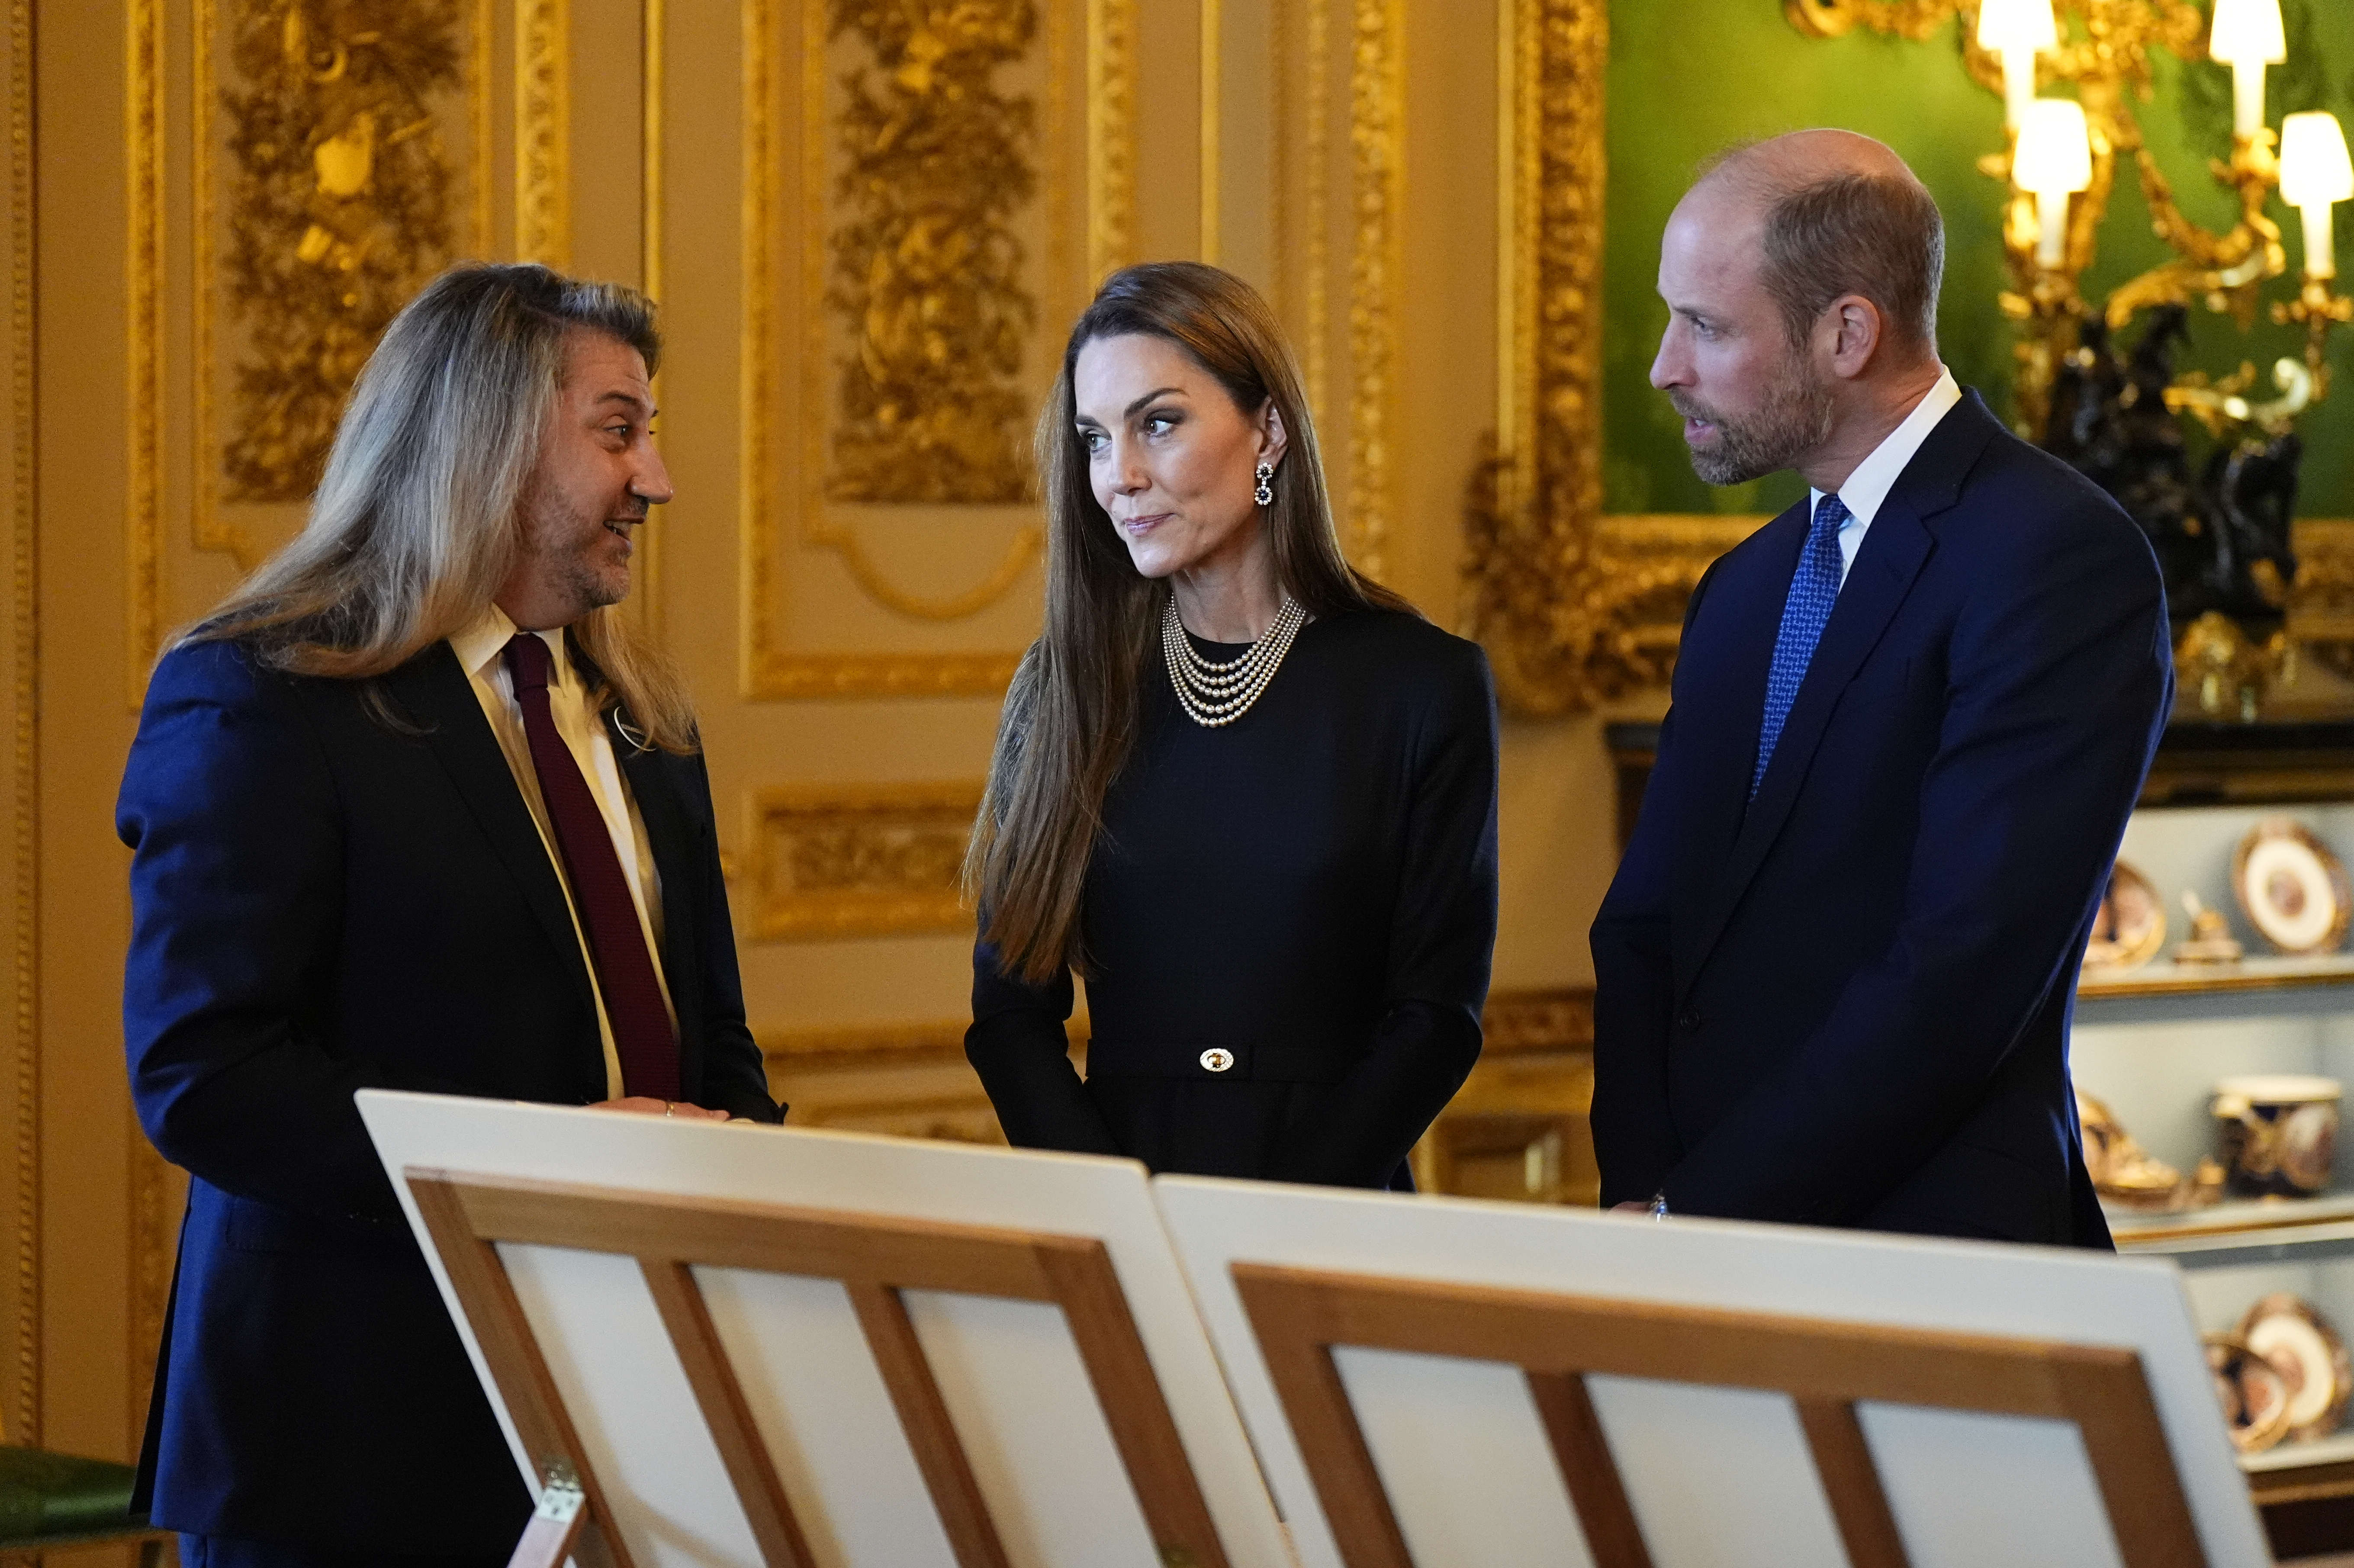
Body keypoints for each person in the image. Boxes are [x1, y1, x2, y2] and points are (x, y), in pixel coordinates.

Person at [119, 263, 781, 1568]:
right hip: (354, 1444)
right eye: (617, 432)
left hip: (634, 1436)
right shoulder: (263, 696)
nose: (657, 479)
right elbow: (207, 1076)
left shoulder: (645, 718)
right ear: (484, 444)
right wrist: (539, 1171)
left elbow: (714, 1044)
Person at [1589, 131, 2171, 1246]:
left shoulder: (2055, 556)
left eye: (1704, 326)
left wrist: (1700, 1213)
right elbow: (1645, 929)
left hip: (1934, 1264)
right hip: (1691, 1248)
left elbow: (1960, 968)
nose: (1665, 365)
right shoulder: (1744, 584)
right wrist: (1644, 1203)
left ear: (1846, 332)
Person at [963, 261, 1499, 1189]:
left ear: (1269, 433)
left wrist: (1272, 1219)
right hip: (1120, 1216)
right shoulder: (1065, 686)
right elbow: (1010, 1019)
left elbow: (1434, 1016)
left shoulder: (1421, 684)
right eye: (1094, 439)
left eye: (1157, 424)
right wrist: (1121, 1212)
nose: (1117, 476)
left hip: (1332, 1215)